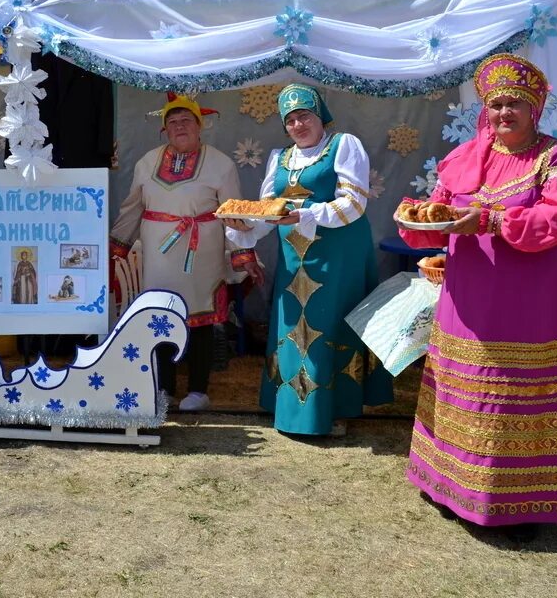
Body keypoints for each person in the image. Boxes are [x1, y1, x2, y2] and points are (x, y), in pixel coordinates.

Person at [398, 53, 557, 540]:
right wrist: (417, 216)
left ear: (535, 110)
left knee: (512, 396)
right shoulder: (466, 159)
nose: (503, 113)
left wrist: (491, 220)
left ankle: (518, 504)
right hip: (467, 297)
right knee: (461, 391)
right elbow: (439, 219)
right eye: (495, 104)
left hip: (528, 303)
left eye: (514, 104)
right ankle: (450, 486)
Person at [227, 83, 393, 437]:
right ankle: (291, 409)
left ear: (320, 117)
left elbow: (353, 204)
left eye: (304, 116)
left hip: (339, 256)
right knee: (293, 327)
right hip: (294, 259)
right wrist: (243, 227)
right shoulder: (280, 158)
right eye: (290, 120)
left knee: (331, 324)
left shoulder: (343, 145)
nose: (298, 125)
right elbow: (268, 211)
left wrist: (305, 212)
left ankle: (335, 410)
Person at [111, 93, 264, 411]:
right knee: (161, 316)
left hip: (202, 249)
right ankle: (164, 387)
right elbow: (132, 208)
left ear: (200, 125)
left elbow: (232, 213)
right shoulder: (147, 162)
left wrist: (243, 255)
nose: (179, 126)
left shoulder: (220, 164)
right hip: (158, 253)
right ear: (165, 129)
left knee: (201, 316)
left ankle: (198, 390)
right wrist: (115, 249)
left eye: (186, 120)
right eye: (173, 122)